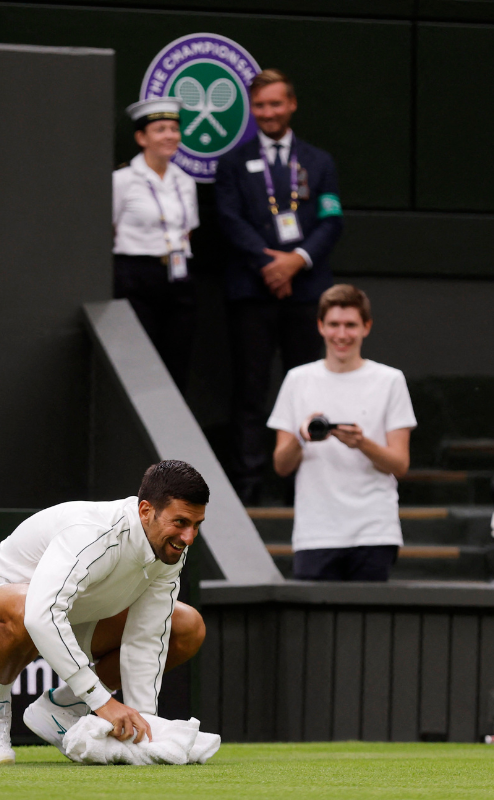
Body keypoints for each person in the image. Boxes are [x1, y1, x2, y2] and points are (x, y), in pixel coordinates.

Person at [0, 460, 209, 765]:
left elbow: (147, 635)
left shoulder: (169, 550)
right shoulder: (94, 532)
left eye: (196, 525)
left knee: (185, 626)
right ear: (146, 511)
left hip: (75, 616)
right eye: (180, 522)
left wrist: (144, 724)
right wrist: (102, 702)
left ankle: (63, 708)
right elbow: (41, 614)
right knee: (28, 606)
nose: (189, 537)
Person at [215, 69, 345, 504]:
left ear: (291, 105)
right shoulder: (233, 162)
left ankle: (304, 485)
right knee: (250, 390)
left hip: (307, 293)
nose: (268, 112)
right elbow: (229, 219)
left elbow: (331, 221)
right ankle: (248, 485)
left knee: (309, 388)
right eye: (260, 106)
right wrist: (269, 264)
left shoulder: (318, 160)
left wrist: (295, 262)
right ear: (252, 110)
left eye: (276, 103)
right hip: (251, 293)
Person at [268, 285, 415, 581]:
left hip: (374, 530)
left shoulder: (390, 380)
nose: (342, 335)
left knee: (370, 625)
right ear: (321, 326)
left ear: (366, 327)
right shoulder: (298, 380)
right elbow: (281, 466)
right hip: (316, 532)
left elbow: (400, 464)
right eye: (334, 324)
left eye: (350, 325)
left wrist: (361, 443)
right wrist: (302, 436)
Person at [112, 98, 200, 392]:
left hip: (178, 277)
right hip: (136, 277)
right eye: (160, 129)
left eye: (174, 129)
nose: (170, 136)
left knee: (177, 363)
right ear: (141, 137)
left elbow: (188, 229)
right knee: (139, 365)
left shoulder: (185, 181)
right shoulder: (123, 180)